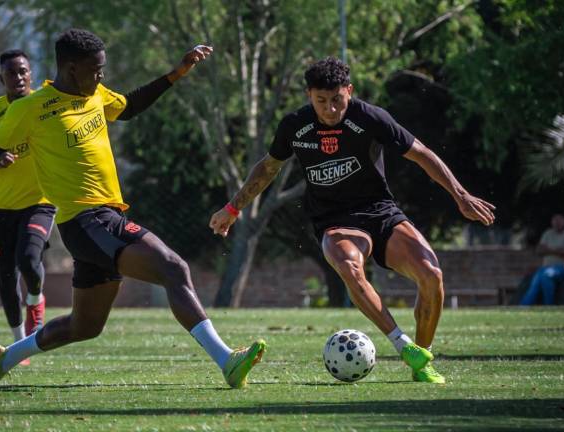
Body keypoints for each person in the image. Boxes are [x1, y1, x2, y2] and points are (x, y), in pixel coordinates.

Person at [0, 29, 265, 389]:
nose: (101, 75)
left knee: (84, 326)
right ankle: (226, 360)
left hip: (103, 221)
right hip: (89, 221)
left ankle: (3, 359)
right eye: (96, 68)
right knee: (173, 268)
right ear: (71, 68)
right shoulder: (31, 109)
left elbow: (131, 106)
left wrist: (176, 73)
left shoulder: (95, 94)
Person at [209, 57, 495, 384]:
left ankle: (422, 357)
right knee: (349, 265)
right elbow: (268, 168)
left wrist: (460, 196)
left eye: (337, 100)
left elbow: (422, 154)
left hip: (380, 211)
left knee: (432, 275)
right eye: (321, 101)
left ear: (349, 91)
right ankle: (403, 345)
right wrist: (232, 208)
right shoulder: (295, 126)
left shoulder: (370, 117)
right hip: (334, 219)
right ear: (308, 96)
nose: (330, 109)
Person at [0, 50, 56, 361]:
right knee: (6, 275)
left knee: (30, 260)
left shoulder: (43, 106)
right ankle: (20, 345)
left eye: (23, 71)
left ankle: (36, 299)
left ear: (31, 74)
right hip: (2, 207)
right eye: (11, 73)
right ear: (1, 78)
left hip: (40, 202)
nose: (18, 77)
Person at [519, 214, 564, 305]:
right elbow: (539, 250)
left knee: (545, 275)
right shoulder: (548, 233)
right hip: (546, 268)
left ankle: (548, 305)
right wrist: (559, 250)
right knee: (539, 277)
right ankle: (523, 306)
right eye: (554, 220)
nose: (557, 222)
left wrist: (549, 250)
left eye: (559, 220)